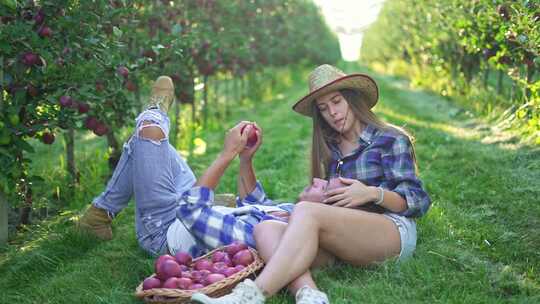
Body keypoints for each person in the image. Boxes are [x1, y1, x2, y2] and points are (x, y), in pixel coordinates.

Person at [191, 64, 432, 304]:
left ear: (353, 98)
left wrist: (372, 193)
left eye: (337, 101)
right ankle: (310, 295)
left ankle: (249, 296)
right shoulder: (332, 148)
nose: (333, 113)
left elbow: (417, 201)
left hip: (391, 232)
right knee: (266, 229)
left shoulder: (390, 139)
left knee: (305, 211)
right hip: (349, 238)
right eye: (324, 108)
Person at [78, 76, 295, 258]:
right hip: (189, 213)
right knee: (146, 143)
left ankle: (156, 110)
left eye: (325, 187)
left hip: (164, 229)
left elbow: (192, 210)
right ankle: (97, 217)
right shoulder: (290, 213)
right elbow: (253, 201)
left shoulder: (271, 237)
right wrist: (246, 159)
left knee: (149, 130)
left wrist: (227, 154)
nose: (318, 181)